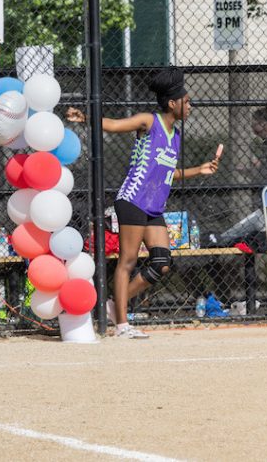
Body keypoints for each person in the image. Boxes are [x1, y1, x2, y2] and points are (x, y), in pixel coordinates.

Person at [67, 67, 221, 339]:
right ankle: (122, 325)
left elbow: (167, 172)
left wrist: (200, 170)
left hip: (154, 206)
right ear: (172, 103)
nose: (190, 106)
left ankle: (114, 305)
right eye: (187, 102)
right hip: (134, 199)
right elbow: (114, 125)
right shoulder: (149, 122)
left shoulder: (176, 136)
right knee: (127, 261)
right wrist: (85, 118)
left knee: (161, 263)